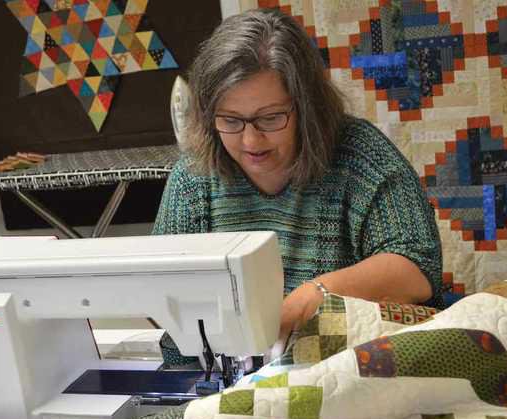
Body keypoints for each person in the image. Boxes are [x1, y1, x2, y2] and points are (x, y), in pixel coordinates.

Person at [153, 8, 443, 347]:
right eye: (230, 120)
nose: (251, 141)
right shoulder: (194, 177)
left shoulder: (362, 156)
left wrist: (316, 294)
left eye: (270, 118)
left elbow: (418, 268)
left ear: (307, 107)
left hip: (348, 360)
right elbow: (160, 286)